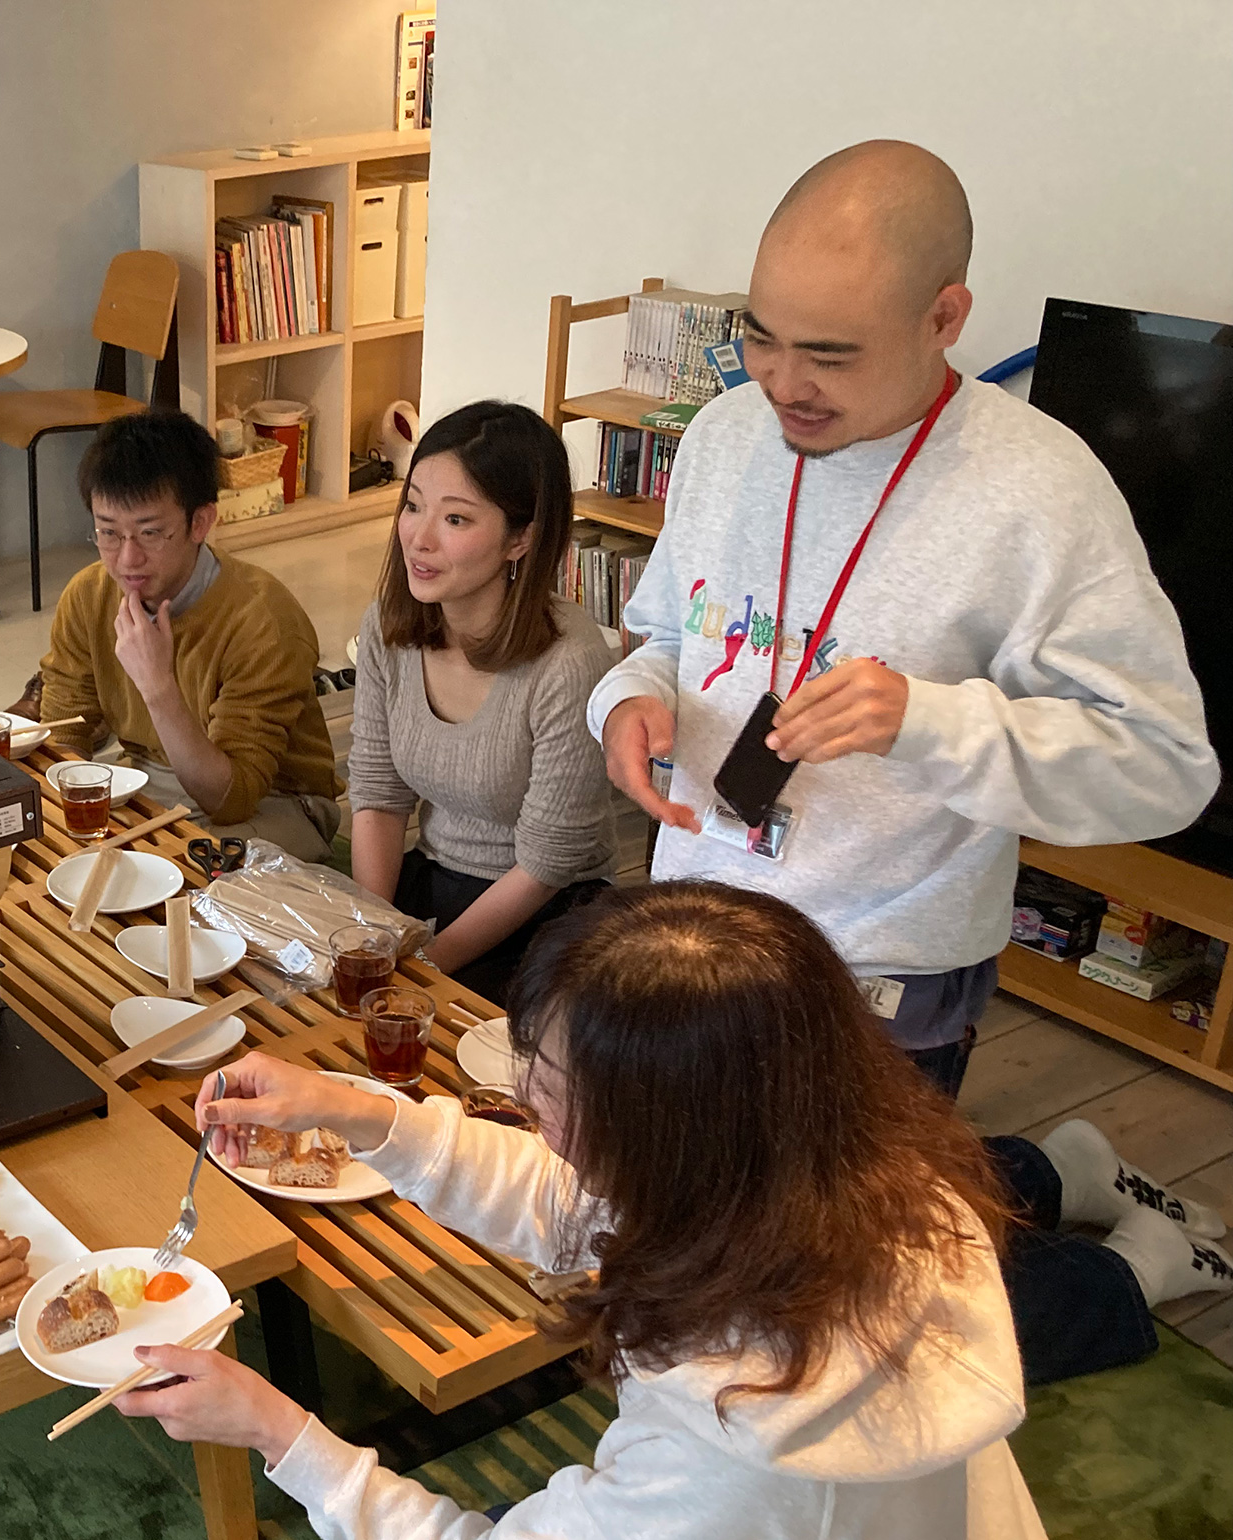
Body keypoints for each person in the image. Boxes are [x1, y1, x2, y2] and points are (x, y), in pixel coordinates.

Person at [124, 883, 1227, 1538]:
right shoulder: (845, 1171)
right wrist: (359, 1112)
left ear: (675, 1143)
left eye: (548, 1097)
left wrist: (277, 1429)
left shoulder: (733, 1451)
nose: (528, 1116)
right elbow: (574, 1197)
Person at [589, 140, 1217, 1096]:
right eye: (762, 337)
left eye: (831, 354)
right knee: (685, 1223)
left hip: (882, 983)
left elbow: (1165, 768)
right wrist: (628, 700)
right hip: (693, 937)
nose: (782, 383)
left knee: (847, 1246)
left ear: (945, 316)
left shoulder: (1038, 490)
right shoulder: (723, 436)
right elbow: (672, 635)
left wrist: (925, 722)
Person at [347, 402, 616, 1002]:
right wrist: (374, 933)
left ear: (520, 539)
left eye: (457, 520)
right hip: (430, 880)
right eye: (413, 505)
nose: (419, 537)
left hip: (548, 915)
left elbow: (546, 863)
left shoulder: (569, 662)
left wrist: (426, 968)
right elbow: (378, 793)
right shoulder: (387, 628)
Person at [37, 409, 343, 858]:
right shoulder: (88, 596)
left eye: (150, 533)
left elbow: (229, 798)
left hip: (274, 803)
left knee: (181, 878)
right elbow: (65, 729)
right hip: (147, 782)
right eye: (107, 533)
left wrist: (157, 685)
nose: (126, 560)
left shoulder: (263, 619)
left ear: (201, 523)